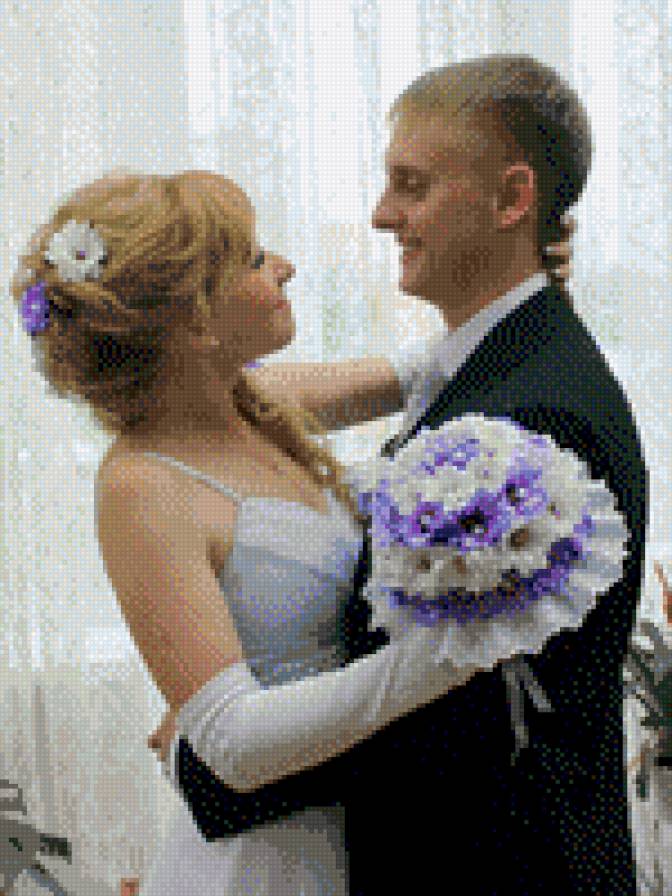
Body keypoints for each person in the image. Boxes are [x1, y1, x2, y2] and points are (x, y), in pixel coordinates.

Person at [147, 54, 647, 895]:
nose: (383, 215)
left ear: (512, 199)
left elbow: (458, 711)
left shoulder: (533, 414)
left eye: (412, 186)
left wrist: (215, 758)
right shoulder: (483, 367)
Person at [11, 164, 572, 895]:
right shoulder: (141, 484)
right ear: (194, 320)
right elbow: (235, 742)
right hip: (270, 861)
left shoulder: (252, 402)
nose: (285, 266)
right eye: (252, 259)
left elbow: (432, 369)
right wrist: (453, 648)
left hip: (372, 828)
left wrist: (518, 268)